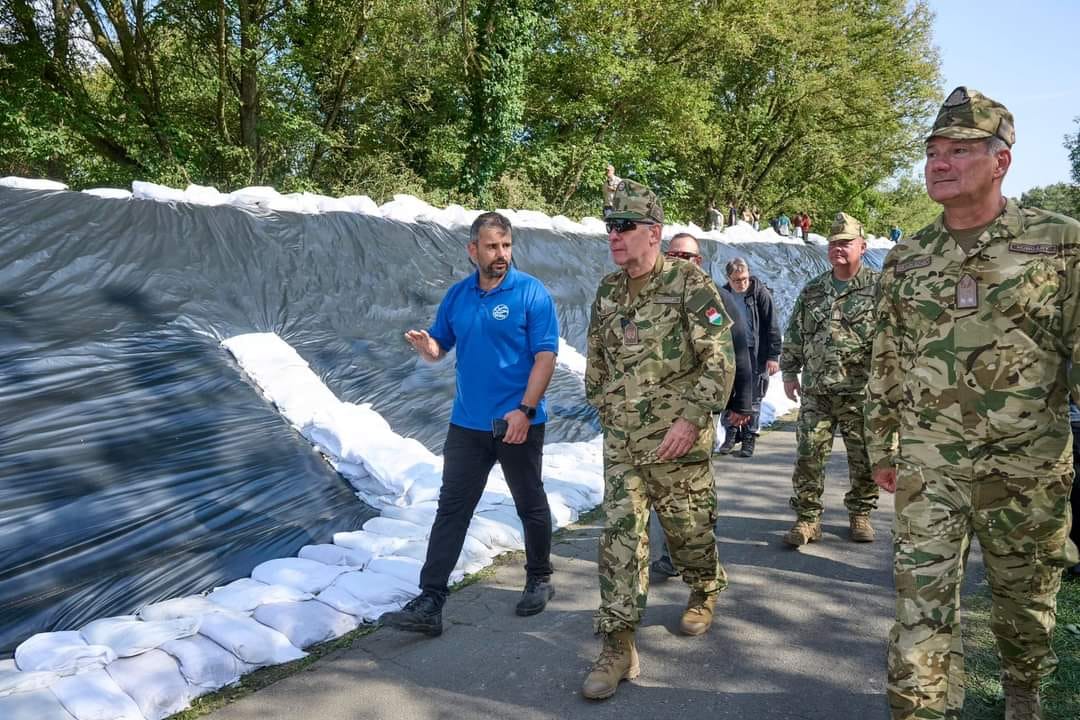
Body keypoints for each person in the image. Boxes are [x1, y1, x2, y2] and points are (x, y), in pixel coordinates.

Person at [866, 86, 1080, 720]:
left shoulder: (1061, 245)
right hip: (931, 469)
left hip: (1028, 470)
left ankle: (1024, 694)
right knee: (918, 612)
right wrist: (883, 447)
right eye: (934, 150)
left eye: (959, 150)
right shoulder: (906, 258)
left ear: (1001, 161)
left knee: (1025, 608)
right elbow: (887, 361)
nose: (939, 162)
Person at [583, 181, 736, 699]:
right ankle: (618, 643)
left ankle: (704, 585)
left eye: (624, 226)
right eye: (610, 227)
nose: (615, 236)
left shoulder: (690, 285)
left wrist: (691, 419)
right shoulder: (606, 291)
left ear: (654, 233)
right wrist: (605, 403)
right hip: (623, 444)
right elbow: (596, 360)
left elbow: (720, 359)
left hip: (677, 444)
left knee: (688, 530)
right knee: (621, 538)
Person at [380, 212, 560, 637]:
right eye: (492, 247)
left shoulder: (531, 293)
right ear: (472, 250)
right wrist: (430, 347)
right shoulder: (458, 296)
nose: (501, 255)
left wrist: (526, 410)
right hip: (467, 425)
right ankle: (431, 600)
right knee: (452, 509)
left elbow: (546, 357)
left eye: (506, 246)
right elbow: (442, 346)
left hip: (517, 420)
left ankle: (539, 577)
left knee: (528, 502)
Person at [650, 233, 753, 579]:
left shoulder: (718, 299)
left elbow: (737, 353)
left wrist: (742, 402)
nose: (681, 260)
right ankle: (669, 554)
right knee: (661, 489)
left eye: (689, 256)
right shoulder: (654, 295)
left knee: (693, 492)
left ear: (699, 261)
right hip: (657, 413)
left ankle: (700, 563)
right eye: (674, 253)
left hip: (698, 412)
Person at [780, 211, 879, 547]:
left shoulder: (879, 289)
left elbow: (895, 340)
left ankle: (860, 513)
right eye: (834, 243)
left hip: (861, 392)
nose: (838, 248)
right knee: (808, 456)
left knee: (863, 457)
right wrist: (789, 372)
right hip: (817, 391)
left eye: (845, 242)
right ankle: (808, 519)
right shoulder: (813, 290)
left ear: (862, 246)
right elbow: (795, 333)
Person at [716, 257, 782, 458]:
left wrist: (773, 355)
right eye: (737, 280)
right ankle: (731, 433)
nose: (742, 283)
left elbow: (772, 326)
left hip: (755, 353)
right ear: (729, 278)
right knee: (729, 393)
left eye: (744, 279)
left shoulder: (759, 294)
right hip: (732, 351)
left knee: (753, 396)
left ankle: (749, 436)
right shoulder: (724, 295)